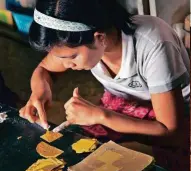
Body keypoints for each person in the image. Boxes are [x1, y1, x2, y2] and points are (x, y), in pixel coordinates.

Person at [20, 0, 190, 151]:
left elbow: (169, 129)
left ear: (99, 37)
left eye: (71, 57)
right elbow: (44, 69)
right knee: (87, 153)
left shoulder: (154, 44)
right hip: (125, 102)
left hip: (174, 113)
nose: (66, 65)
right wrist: (40, 92)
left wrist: (100, 115)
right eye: (61, 58)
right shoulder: (84, 38)